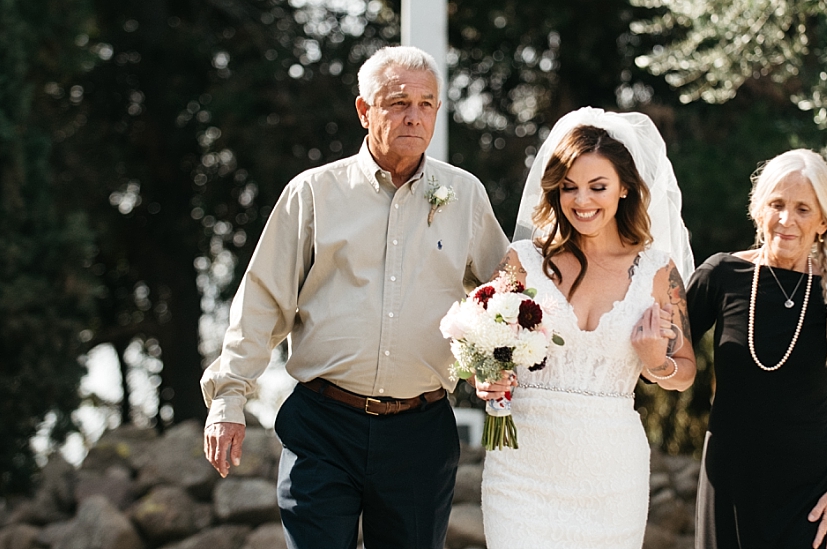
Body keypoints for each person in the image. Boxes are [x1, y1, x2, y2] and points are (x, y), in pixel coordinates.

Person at [200, 46, 509, 549]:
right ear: (364, 111)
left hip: (421, 432)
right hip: (322, 426)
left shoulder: (465, 195)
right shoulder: (314, 192)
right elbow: (263, 299)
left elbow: (506, 294)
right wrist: (228, 397)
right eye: (398, 102)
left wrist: (496, 360)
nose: (415, 116)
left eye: (427, 104)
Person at [475, 108, 697, 549]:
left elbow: (687, 371)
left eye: (598, 187)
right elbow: (482, 349)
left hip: (612, 477)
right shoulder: (522, 261)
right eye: (569, 188)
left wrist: (657, 362)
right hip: (521, 473)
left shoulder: (657, 270)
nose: (582, 201)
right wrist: (487, 376)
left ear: (625, 189)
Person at [686, 149, 827, 549]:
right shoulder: (721, 275)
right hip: (729, 485)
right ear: (758, 210)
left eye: (803, 209)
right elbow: (666, 354)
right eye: (777, 204)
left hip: (810, 499)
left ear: (823, 221)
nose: (786, 220)